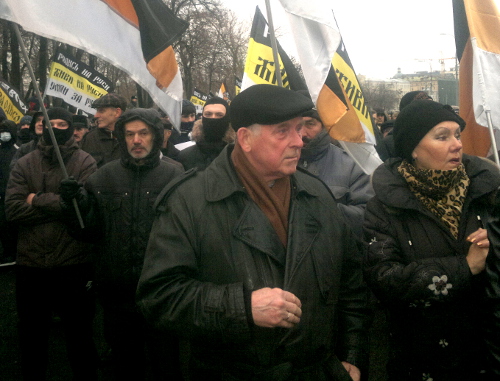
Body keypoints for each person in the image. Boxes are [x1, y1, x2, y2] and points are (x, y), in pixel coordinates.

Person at [137, 84, 369, 381]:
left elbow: (350, 284)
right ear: (245, 139)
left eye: (299, 129)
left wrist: (351, 355)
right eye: (283, 131)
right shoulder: (190, 201)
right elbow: (159, 296)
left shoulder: (317, 194)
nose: (299, 141)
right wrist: (241, 307)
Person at [363, 99, 500, 380]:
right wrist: (464, 267)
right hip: (422, 359)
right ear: (413, 149)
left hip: (488, 352)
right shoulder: (385, 206)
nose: (457, 144)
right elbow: (384, 279)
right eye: (442, 136)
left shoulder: (488, 191)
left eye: (457, 135)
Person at [60, 108, 184, 380]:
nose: (136, 140)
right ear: (122, 138)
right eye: (129, 134)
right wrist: (73, 204)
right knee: (126, 367)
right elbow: (87, 232)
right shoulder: (103, 177)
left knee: (167, 366)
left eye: (143, 133)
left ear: (154, 136)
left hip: (162, 294)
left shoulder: (176, 176)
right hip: (117, 297)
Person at [5, 107, 98, 380]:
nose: (56, 128)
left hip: (74, 262)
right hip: (31, 264)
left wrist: (35, 198)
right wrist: (60, 202)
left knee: (80, 337)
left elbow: (81, 210)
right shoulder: (24, 162)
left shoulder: (85, 161)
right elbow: (13, 210)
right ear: (41, 127)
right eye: (50, 123)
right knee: (32, 338)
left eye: (62, 124)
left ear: (70, 127)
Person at [298, 107, 373, 236]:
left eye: (310, 124)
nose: (303, 133)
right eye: (298, 126)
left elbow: (367, 216)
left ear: (323, 126)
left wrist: (323, 210)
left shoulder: (350, 165)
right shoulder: (278, 163)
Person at [177, 97, 235, 171]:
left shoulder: (236, 157)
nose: (213, 118)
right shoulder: (185, 156)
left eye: (219, 115)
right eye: (208, 114)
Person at [80, 93, 126, 167]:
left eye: (101, 111)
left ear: (117, 112)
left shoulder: (132, 138)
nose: (96, 115)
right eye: (97, 111)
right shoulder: (89, 139)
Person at [0, 119, 18, 265]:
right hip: (1, 195)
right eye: (1, 131)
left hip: (13, 194)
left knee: (12, 225)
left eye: (6, 131)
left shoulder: (19, 151)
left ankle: (13, 253)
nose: (3, 134)